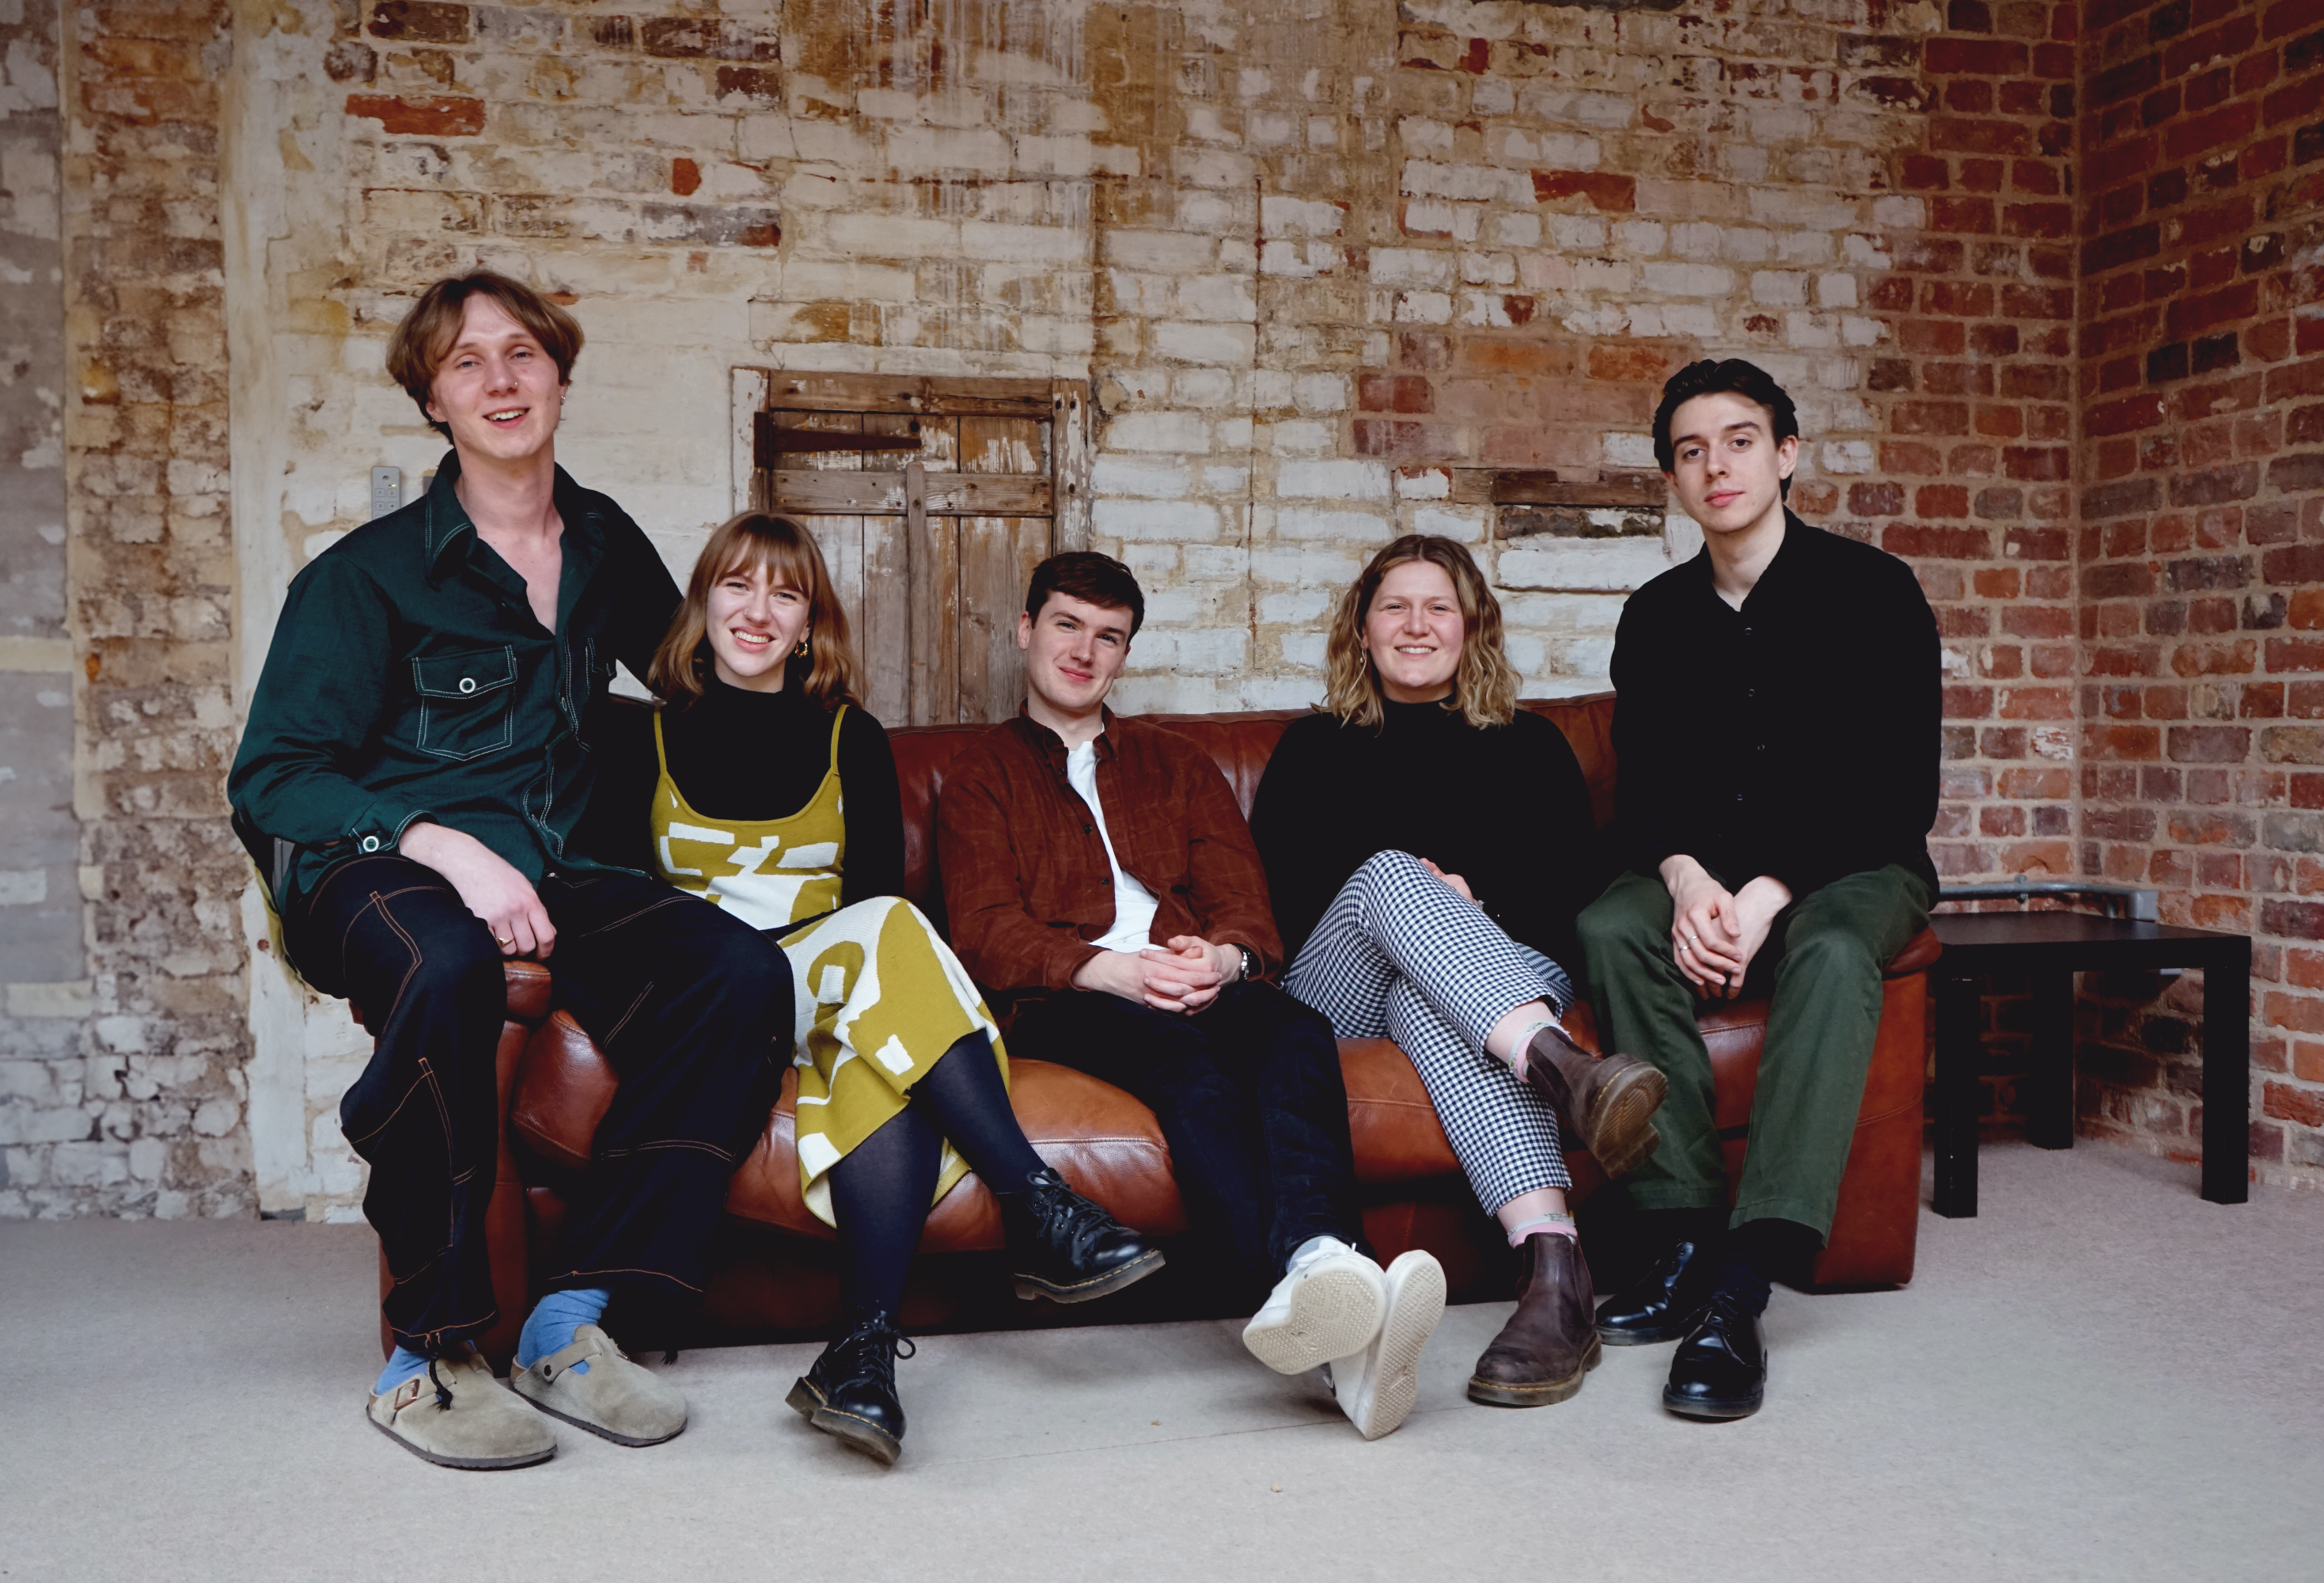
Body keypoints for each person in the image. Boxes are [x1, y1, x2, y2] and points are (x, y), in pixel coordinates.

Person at [229, 271, 796, 1470]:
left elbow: (697, 691)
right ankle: (425, 1352)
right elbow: (274, 778)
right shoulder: (365, 577)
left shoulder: (602, 543)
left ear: (559, 378)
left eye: (523, 354)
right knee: (445, 968)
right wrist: (437, 844)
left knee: (738, 976)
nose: (501, 379)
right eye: (468, 361)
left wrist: (781, 639)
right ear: (432, 399)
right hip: (377, 866)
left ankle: (576, 1317)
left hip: (559, 866)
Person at [579, 512, 1163, 1467]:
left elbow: (867, 896)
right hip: (718, 1004)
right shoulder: (638, 737)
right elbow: (622, 909)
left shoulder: (850, 733)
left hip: (834, 986)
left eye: (785, 592)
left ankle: (860, 1356)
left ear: (811, 620)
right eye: (737, 585)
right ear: (703, 601)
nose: (758, 611)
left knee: (882, 1050)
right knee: (895, 935)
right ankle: (1034, 1201)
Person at [936, 552, 1446, 1443]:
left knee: (1292, 1031)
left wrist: (1220, 956)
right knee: (1196, 1077)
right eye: (1066, 625)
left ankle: (1322, 1261)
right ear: (1025, 630)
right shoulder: (980, 773)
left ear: (1126, 653)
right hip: (1076, 994)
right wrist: (1113, 968)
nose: (1085, 652)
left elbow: (1246, 899)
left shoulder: (1176, 762)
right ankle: (1332, 1321)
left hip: (1194, 974)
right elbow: (983, 929)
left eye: (1109, 636)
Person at [1576, 358, 1941, 1421]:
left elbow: (1896, 793)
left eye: (1738, 440)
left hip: (1858, 869)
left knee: (1830, 951)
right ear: (1674, 481)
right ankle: (1682, 1230)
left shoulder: (1874, 592)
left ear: (1785, 454)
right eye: (1690, 451)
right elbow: (1645, 797)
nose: (1715, 465)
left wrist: (1771, 892)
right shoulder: (1655, 616)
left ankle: (1745, 1277)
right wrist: (1688, 884)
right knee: (1611, 924)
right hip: (1713, 874)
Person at [1251, 534, 1668, 1410]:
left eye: (1438, 605)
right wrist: (1416, 903)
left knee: (1428, 991)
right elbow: (1283, 913)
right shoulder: (1310, 750)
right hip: (1341, 990)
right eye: (1394, 605)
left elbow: (1570, 903)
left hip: (1487, 977)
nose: (1416, 623)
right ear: (1361, 630)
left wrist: (1476, 904)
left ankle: (1555, 1270)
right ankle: (1565, 1070)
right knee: (1394, 875)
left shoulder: (1532, 747)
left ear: (1471, 624)